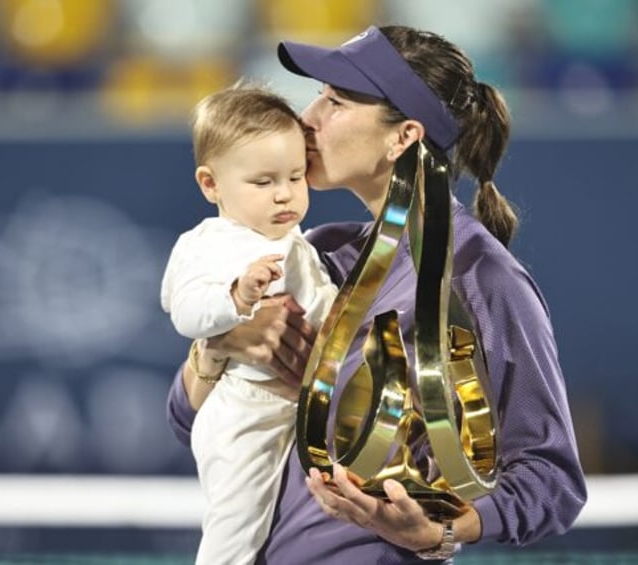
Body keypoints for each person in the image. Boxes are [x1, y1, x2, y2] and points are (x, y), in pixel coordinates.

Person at [166, 25, 587, 563]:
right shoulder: (318, 253)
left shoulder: (485, 278)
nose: (307, 118)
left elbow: (551, 479)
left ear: (403, 137)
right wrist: (219, 347)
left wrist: (442, 532)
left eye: (335, 101)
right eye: (317, 95)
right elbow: (185, 420)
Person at [160, 84, 338, 565]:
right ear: (210, 184)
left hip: (297, 409)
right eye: (263, 183)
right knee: (236, 528)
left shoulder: (297, 240)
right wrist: (236, 299)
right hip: (245, 412)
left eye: (296, 177)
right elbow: (184, 309)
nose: (284, 194)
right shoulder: (211, 243)